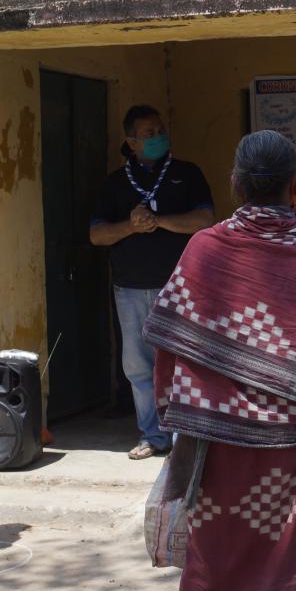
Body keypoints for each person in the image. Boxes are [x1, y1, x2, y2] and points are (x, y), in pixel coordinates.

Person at [143, 130, 296, 591]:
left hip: (215, 449)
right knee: (291, 559)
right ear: (293, 189)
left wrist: (177, 415)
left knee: (216, 556)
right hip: (293, 452)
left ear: (236, 185)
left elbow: (169, 348)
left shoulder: (204, 248)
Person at [91, 105, 214, 460]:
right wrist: (131, 226)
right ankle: (153, 435)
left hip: (178, 285)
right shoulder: (115, 183)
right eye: (149, 133)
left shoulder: (186, 174)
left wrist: (158, 221)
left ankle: (181, 438)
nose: (158, 136)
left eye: (161, 129)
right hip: (129, 287)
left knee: (178, 361)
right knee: (138, 366)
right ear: (131, 142)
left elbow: (205, 219)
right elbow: (97, 234)